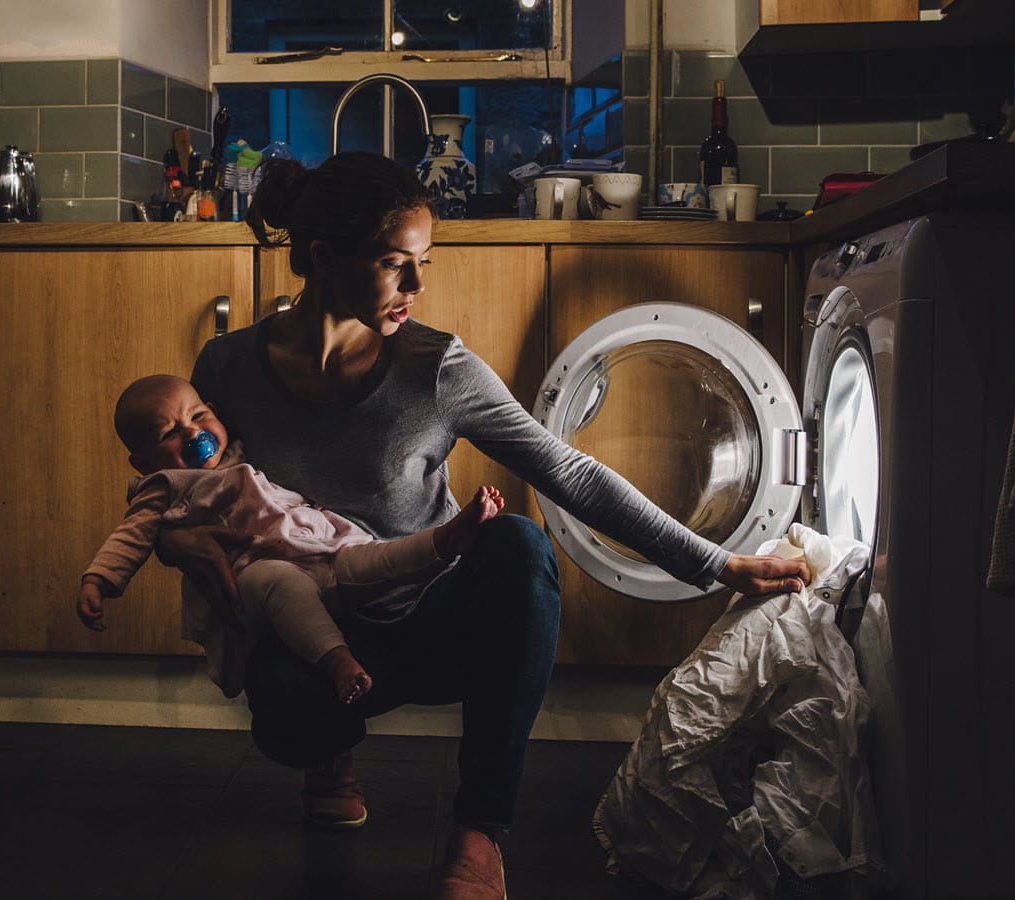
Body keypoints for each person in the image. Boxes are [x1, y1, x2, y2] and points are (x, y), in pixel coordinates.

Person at [170, 151, 812, 899]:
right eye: (393, 264)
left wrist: (719, 565)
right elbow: (184, 485)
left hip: (440, 620)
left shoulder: (436, 368)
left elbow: (568, 473)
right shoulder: (226, 367)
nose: (417, 286)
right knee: (285, 725)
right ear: (322, 258)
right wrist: (171, 534)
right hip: (319, 635)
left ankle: (478, 832)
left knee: (518, 544)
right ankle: (330, 752)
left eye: (423, 263)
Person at [77, 373, 505, 710]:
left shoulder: (238, 451)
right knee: (284, 586)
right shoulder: (163, 485)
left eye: (198, 416)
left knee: (371, 558)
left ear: (216, 412)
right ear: (142, 460)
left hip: (315, 543)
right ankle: (338, 662)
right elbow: (130, 536)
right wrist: (99, 581)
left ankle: (446, 540)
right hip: (253, 570)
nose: (192, 435)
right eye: (169, 433)